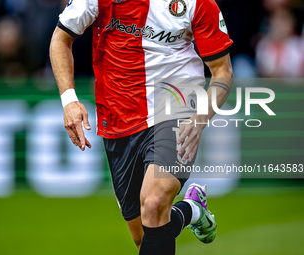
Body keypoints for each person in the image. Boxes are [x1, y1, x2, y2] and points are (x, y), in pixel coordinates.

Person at [50, 0, 234, 254]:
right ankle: (191, 210)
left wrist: (200, 118)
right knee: (143, 235)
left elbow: (222, 71)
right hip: (118, 120)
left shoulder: (197, 3)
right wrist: (69, 100)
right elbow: (60, 39)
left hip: (175, 108)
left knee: (155, 203)